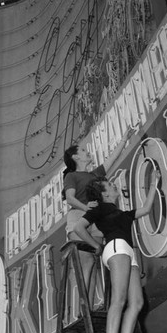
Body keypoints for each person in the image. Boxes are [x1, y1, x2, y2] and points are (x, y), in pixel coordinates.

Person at [73, 168, 161, 333]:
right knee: (119, 300)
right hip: (116, 248)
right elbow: (79, 227)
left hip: (127, 252)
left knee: (137, 303)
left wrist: (154, 184)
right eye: (110, 186)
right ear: (104, 194)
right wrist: (96, 246)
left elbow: (146, 209)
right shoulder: (100, 208)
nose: (114, 186)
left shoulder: (121, 213)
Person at [63, 127, 135, 302]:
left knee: (91, 263)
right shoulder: (71, 176)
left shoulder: (94, 175)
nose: (87, 153)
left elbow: (111, 159)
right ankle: (83, 306)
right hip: (79, 216)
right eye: (83, 151)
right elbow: (70, 198)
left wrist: (124, 138)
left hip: (94, 220)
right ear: (75, 157)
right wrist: (86, 207)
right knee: (85, 262)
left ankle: (87, 306)